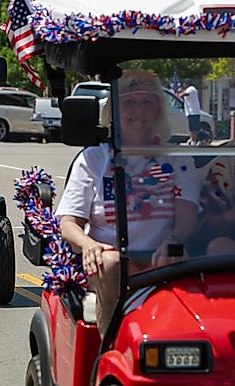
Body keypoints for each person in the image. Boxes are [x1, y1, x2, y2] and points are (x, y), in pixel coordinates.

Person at [56, 70, 200, 337]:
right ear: (114, 109)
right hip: (107, 260)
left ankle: (174, 345)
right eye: (129, 102)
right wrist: (88, 245)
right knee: (111, 264)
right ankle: (112, 348)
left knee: (182, 260)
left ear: (158, 109)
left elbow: (187, 214)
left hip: (160, 256)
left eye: (146, 102)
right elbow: (69, 222)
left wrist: (175, 238)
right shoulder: (93, 159)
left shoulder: (176, 159)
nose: (138, 110)